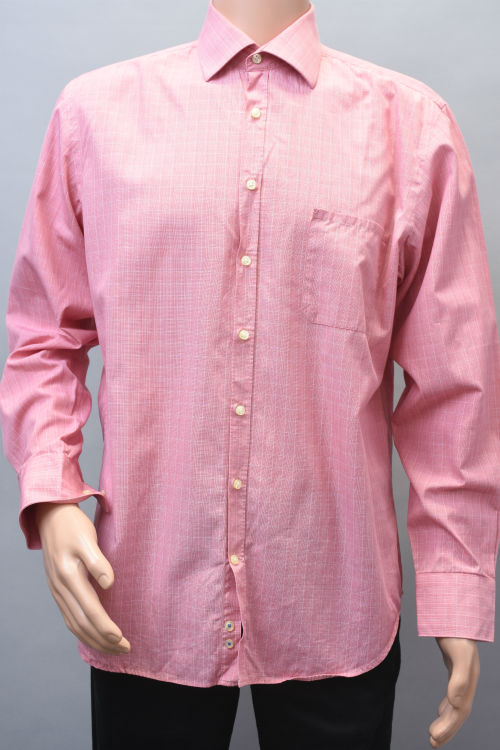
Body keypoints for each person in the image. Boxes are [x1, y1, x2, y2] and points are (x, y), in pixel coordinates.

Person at [0, 1, 498, 748]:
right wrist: (54, 495)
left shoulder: (412, 127)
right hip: (145, 595)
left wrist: (456, 587)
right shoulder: (94, 115)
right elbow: (43, 337)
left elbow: (456, 388)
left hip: (333, 598)